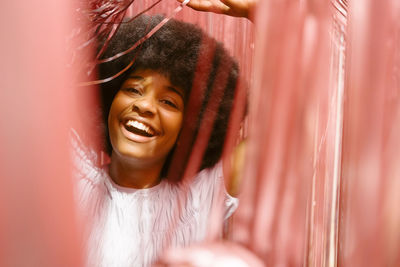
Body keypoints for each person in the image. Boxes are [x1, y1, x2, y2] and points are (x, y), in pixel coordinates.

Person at [71, 14, 243, 267]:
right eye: (133, 89)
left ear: (189, 128)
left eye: (168, 102)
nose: (145, 106)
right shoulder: (73, 179)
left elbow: (282, 125)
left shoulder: (202, 193)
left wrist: (258, 13)